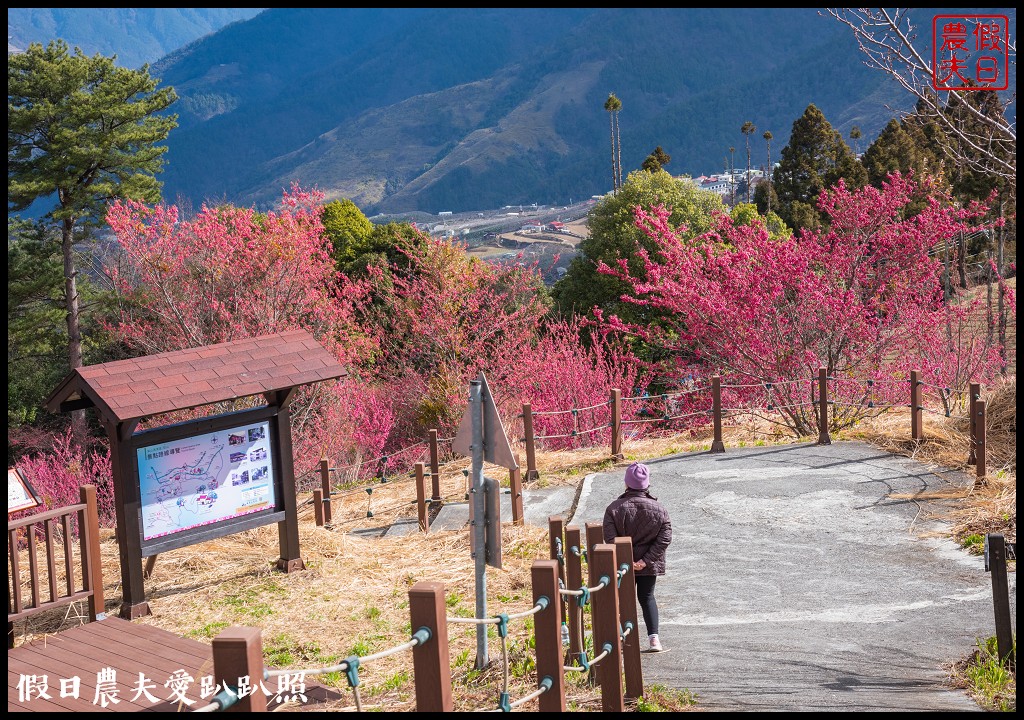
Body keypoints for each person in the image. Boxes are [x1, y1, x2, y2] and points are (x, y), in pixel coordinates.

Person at [602, 461, 672, 652]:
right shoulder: (659, 509)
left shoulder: (614, 508)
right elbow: (665, 538)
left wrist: (628, 560)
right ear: (647, 484)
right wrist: (646, 560)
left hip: (623, 564)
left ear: (626, 484)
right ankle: (654, 639)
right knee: (647, 597)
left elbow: (610, 538)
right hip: (648, 565)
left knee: (622, 599)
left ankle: (624, 640)